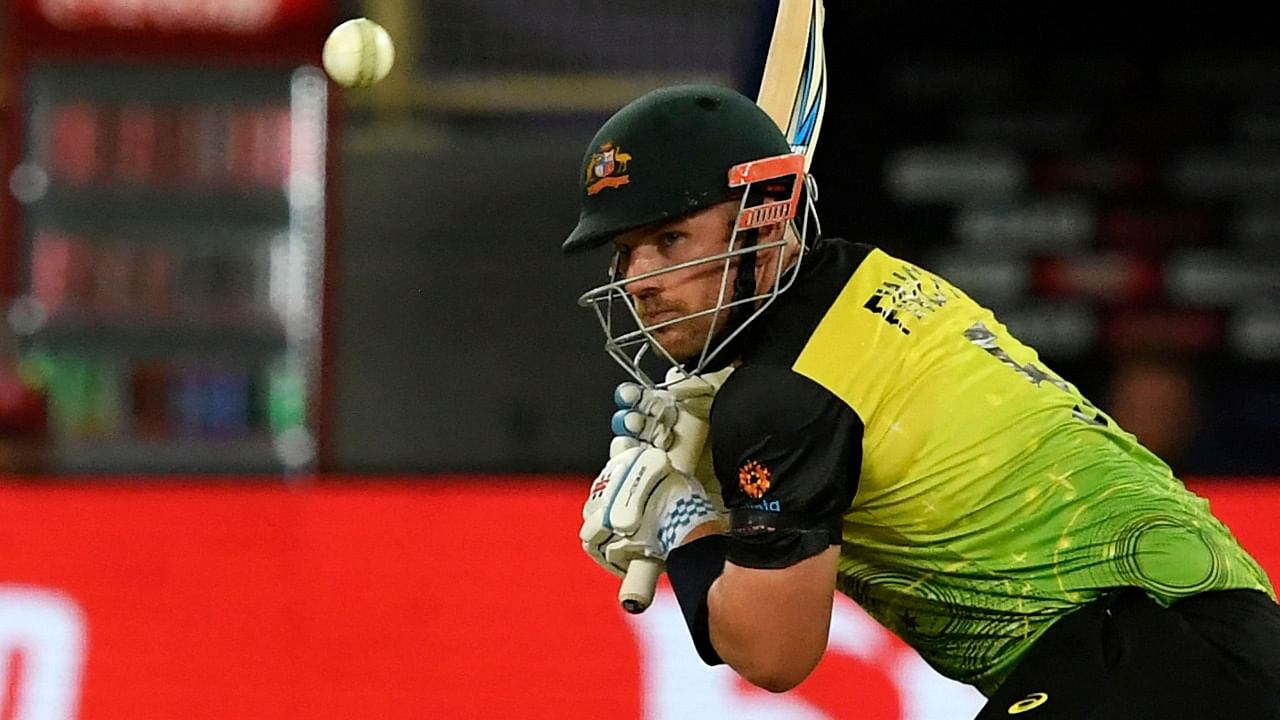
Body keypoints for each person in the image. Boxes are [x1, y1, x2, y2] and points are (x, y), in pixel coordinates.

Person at [565, 84, 1280, 719]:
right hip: (1210, 630)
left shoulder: (781, 396)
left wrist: (682, 523)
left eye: (669, 239)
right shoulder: (865, 279)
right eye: (624, 251)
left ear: (762, 221)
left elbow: (774, 653)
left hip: (1138, 653)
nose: (642, 278)